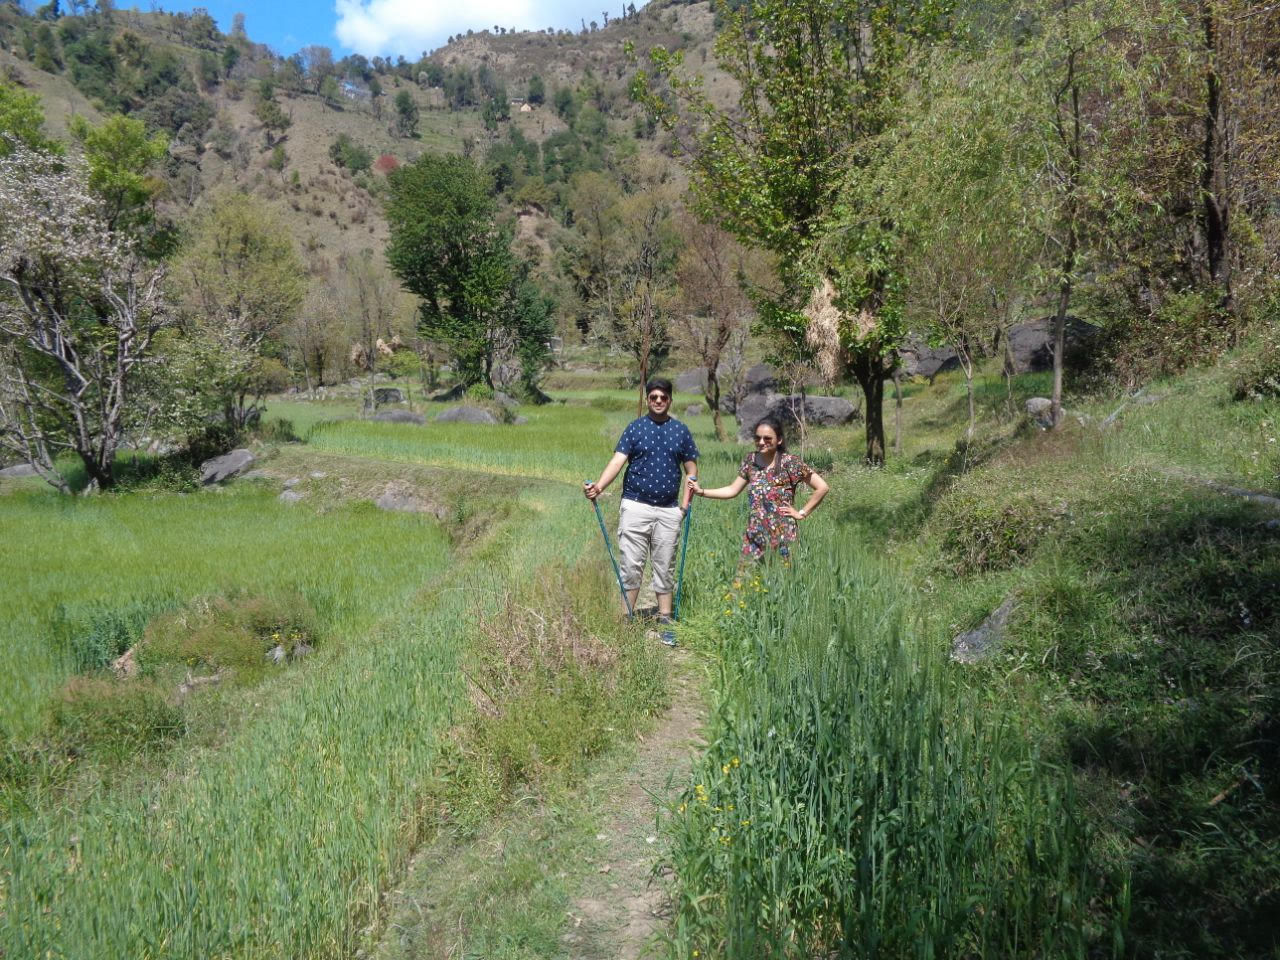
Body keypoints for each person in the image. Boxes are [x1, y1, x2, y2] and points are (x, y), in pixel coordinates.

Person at [584, 377, 699, 630]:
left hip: (669, 509)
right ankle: (626, 621)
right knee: (631, 565)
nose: (658, 401)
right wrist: (599, 487)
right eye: (653, 397)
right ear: (647, 399)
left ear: (670, 400)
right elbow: (617, 461)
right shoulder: (635, 428)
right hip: (635, 506)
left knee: (665, 564)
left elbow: (691, 469)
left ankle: (666, 619)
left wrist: (684, 505)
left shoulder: (681, 431)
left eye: (663, 397)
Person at [688, 416, 828, 562]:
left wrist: (801, 513)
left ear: (779, 439)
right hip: (755, 535)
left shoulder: (790, 463)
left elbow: (822, 487)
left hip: (784, 535)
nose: (761, 442)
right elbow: (732, 490)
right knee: (748, 580)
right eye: (757, 438)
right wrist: (702, 492)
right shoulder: (750, 461)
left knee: (781, 580)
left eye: (767, 438)